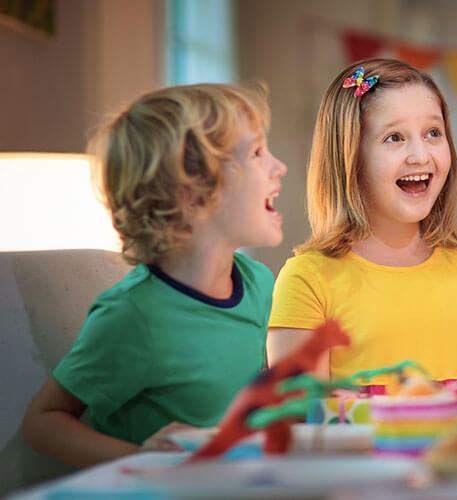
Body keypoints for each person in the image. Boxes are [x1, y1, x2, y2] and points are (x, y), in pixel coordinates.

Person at [21, 83, 288, 467]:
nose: (279, 167)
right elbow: (43, 423)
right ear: (192, 193)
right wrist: (144, 461)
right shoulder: (134, 315)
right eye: (258, 153)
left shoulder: (259, 283)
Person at [268, 59, 457, 403]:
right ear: (349, 157)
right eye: (394, 138)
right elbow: (297, 428)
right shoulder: (308, 279)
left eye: (433, 133)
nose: (420, 155)